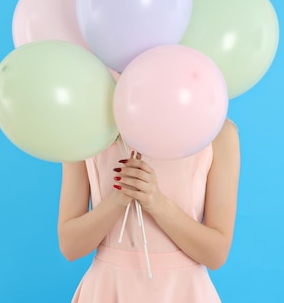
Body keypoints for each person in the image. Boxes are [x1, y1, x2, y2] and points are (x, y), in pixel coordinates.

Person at [58, 118, 240, 302]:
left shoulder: (217, 132)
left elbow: (216, 254)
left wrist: (157, 203)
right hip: (108, 289)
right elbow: (70, 246)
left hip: (183, 292)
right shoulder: (85, 127)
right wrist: (116, 200)